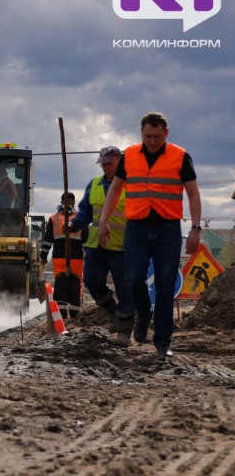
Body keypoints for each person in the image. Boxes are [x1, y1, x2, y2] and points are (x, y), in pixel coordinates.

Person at [98, 112, 202, 359]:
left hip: (168, 229)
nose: (152, 141)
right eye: (147, 136)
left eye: (157, 136)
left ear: (166, 133)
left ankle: (163, 342)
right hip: (137, 228)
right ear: (141, 133)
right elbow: (114, 189)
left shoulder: (180, 156)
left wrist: (195, 230)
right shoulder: (130, 155)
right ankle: (143, 316)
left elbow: (193, 194)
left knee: (166, 287)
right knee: (133, 279)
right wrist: (103, 221)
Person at [68, 145, 136, 346]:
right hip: (97, 244)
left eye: (110, 164)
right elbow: (85, 212)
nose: (106, 168)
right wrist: (73, 224)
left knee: (125, 289)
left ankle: (124, 331)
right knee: (91, 280)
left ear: (121, 161)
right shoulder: (94, 184)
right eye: (103, 164)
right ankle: (112, 312)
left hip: (123, 247)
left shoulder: (132, 185)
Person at [40, 192, 88, 320]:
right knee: (76, 283)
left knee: (61, 283)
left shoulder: (54, 218)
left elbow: (47, 240)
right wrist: (88, 257)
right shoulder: (80, 219)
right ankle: (74, 313)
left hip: (60, 256)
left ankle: (62, 314)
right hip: (76, 257)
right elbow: (86, 242)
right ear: (73, 202)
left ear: (61, 202)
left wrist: (43, 256)